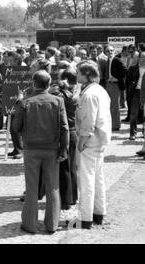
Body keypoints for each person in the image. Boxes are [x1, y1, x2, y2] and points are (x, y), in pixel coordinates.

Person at [12, 70, 69, 234]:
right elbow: (64, 128)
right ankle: (52, 224)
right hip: (51, 149)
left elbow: (15, 128)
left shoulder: (25, 102)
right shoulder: (58, 101)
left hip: (31, 148)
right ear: (49, 83)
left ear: (33, 83)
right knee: (53, 188)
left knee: (31, 188)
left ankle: (30, 224)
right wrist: (63, 149)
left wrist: (18, 105)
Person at [74, 60, 111, 229]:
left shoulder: (89, 95)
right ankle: (98, 212)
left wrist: (81, 141)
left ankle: (85, 218)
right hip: (100, 139)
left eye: (79, 72)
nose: (76, 75)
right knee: (98, 177)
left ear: (87, 74)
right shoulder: (100, 90)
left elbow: (88, 121)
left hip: (90, 140)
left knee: (86, 179)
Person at [51, 68, 79, 209]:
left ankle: (66, 199)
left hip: (65, 132)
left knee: (65, 168)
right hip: (73, 131)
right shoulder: (77, 92)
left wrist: (59, 86)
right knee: (72, 167)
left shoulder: (63, 95)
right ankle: (72, 196)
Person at [105, 46, 127, 131]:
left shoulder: (117, 60)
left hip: (115, 84)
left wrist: (117, 78)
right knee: (109, 105)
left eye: (111, 50)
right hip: (108, 84)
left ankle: (115, 125)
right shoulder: (107, 61)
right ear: (105, 53)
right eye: (108, 51)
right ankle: (111, 124)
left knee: (115, 106)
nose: (110, 52)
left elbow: (125, 70)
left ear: (114, 51)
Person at [126, 45, 145, 140]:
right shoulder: (133, 68)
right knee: (134, 114)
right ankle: (132, 133)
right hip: (136, 93)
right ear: (139, 58)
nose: (143, 59)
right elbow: (128, 81)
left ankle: (144, 132)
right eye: (142, 57)